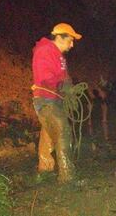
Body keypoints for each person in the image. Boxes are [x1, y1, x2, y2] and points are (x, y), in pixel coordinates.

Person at [31, 23, 82, 183]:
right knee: (62, 133)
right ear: (59, 37)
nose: (72, 44)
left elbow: (64, 76)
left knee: (48, 134)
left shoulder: (59, 55)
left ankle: (44, 170)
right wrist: (62, 85)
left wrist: (69, 86)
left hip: (55, 99)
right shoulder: (44, 51)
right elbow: (45, 77)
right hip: (46, 100)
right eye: (70, 40)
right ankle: (67, 177)